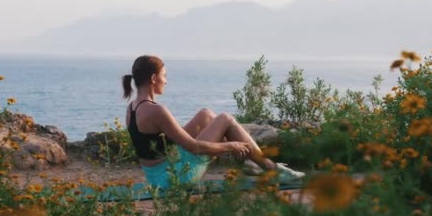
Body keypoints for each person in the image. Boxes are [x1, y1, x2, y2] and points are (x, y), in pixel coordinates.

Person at [122, 55, 305, 189]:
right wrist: (231, 146)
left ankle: (252, 161)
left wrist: (224, 141)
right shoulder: (157, 111)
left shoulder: (132, 107)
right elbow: (194, 147)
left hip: (157, 175)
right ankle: (272, 170)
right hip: (174, 178)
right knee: (226, 119)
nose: (166, 81)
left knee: (206, 114)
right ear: (154, 78)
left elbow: (168, 142)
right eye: (164, 75)